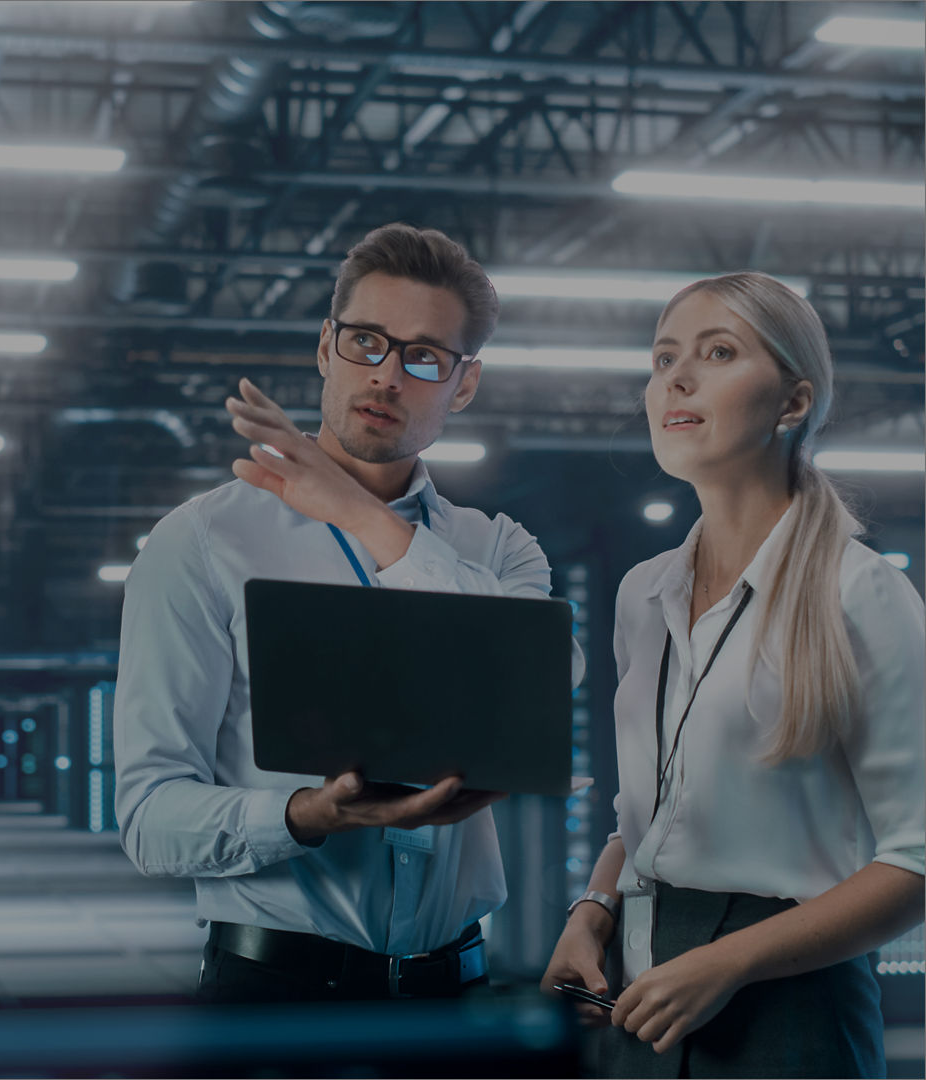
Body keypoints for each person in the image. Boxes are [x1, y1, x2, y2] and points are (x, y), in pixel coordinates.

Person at [114, 222, 579, 1003]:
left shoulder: (498, 551)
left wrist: (364, 519)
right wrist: (307, 814)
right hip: (274, 1001)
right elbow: (148, 816)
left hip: (454, 1001)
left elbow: (539, 688)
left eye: (423, 357)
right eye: (367, 341)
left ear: (463, 384)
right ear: (326, 346)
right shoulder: (202, 541)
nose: (387, 376)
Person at [540, 271, 925, 1077]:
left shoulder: (860, 593)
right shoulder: (642, 592)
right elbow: (646, 814)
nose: (676, 378)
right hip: (642, 1003)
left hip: (794, 1011)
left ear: (792, 404)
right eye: (663, 357)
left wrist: (734, 960)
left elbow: (919, 861)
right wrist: (592, 910)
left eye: (718, 352)